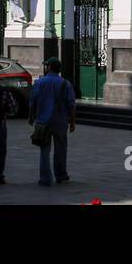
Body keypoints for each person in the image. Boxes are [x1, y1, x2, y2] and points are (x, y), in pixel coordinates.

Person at [29, 57, 76, 186]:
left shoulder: (39, 83)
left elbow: (33, 101)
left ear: (49, 67)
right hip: (60, 122)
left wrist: (31, 116)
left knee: (44, 151)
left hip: (43, 122)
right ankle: (61, 175)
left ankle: (45, 178)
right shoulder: (65, 84)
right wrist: (72, 121)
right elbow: (71, 104)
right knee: (60, 149)